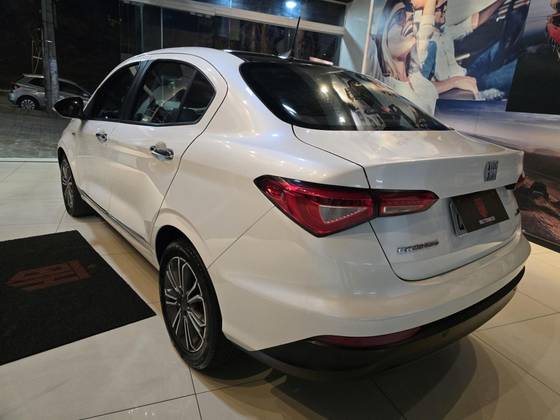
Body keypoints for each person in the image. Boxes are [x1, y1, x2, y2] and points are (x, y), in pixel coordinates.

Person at [376, 0, 479, 115]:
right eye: (399, 18)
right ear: (382, 35)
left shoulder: (414, 73)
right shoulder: (385, 86)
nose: (409, 21)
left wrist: (454, 82)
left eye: (410, 17)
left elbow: (426, 29)